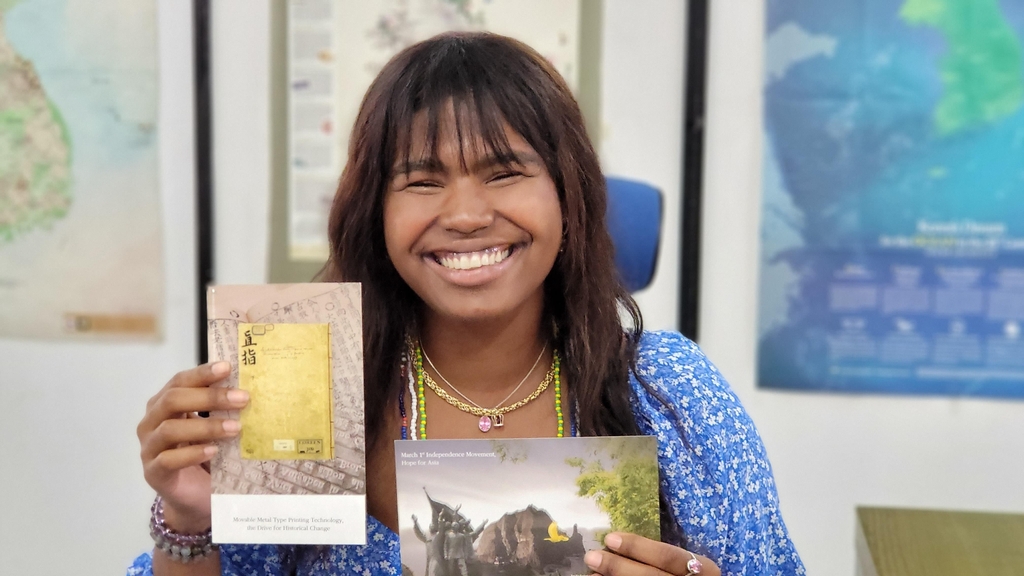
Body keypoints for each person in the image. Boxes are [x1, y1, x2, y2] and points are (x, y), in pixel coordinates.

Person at [130, 32, 805, 576]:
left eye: (504, 172)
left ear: (567, 195)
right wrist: (188, 524)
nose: (466, 215)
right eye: (422, 180)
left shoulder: (668, 390)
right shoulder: (307, 384)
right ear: (377, 214)